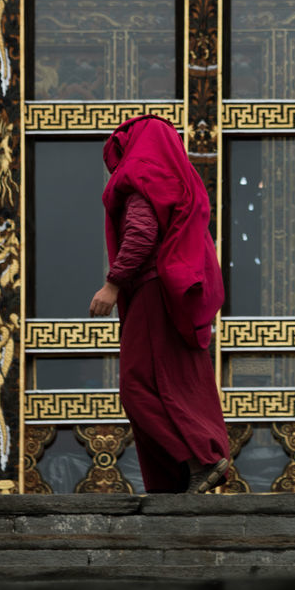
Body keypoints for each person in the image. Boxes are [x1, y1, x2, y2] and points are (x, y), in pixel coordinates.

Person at [88, 113, 230, 493]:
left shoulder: (142, 181)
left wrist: (112, 285)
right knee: (175, 384)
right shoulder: (181, 184)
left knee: (136, 389)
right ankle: (188, 473)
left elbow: (141, 234)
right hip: (173, 299)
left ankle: (198, 460)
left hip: (151, 295)